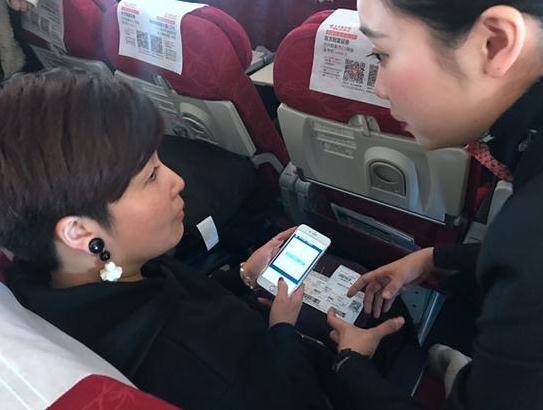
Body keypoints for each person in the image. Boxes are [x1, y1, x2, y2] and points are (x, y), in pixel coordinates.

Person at [0, 68, 348, 410]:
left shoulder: (46, 278)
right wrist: (286, 329)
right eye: (151, 175)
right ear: (80, 233)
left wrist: (243, 275)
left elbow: (176, 293)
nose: (177, 180)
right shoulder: (200, 366)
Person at [324, 0, 543, 409]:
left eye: (382, 54)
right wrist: (433, 258)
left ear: (494, 43)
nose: (379, 88)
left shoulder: (527, 236)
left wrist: (351, 366)